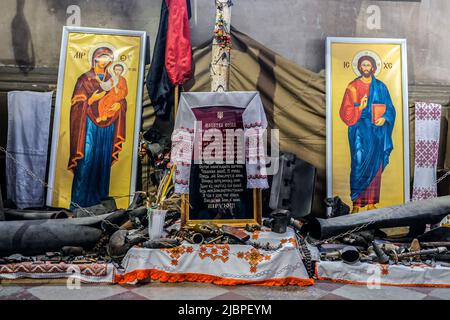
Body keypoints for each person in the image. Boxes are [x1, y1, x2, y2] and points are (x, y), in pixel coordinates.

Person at [68, 47, 127, 209]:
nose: (105, 61)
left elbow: (122, 98)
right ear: (95, 59)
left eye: (108, 58)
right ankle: (78, 204)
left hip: (108, 126)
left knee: (102, 162)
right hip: (88, 125)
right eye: (102, 57)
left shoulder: (114, 78)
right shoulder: (84, 79)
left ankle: (101, 204)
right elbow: (77, 104)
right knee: (86, 160)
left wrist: (119, 106)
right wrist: (91, 100)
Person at [339, 55, 396, 213]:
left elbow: (390, 108)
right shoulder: (353, 86)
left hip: (376, 131)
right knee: (358, 163)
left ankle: (371, 202)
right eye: (363, 65)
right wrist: (360, 108)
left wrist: (384, 118)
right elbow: (345, 112)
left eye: (368, 65)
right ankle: (356, 203)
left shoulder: (381, 87)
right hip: (358, 130)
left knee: (375, 166)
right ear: (359, 67)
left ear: (373, 68)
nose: (365, 68)